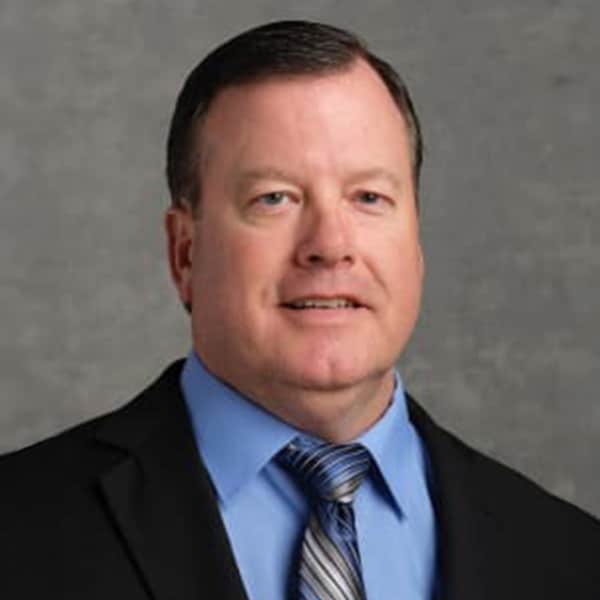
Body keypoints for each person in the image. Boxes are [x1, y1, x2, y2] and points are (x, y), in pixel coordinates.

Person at [1, 20, 599, 600]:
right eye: (274, 198)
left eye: (369, 197)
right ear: (185, 252)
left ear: (415, 244)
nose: (330, 245)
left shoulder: (570, 558)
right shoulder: (19, 531)